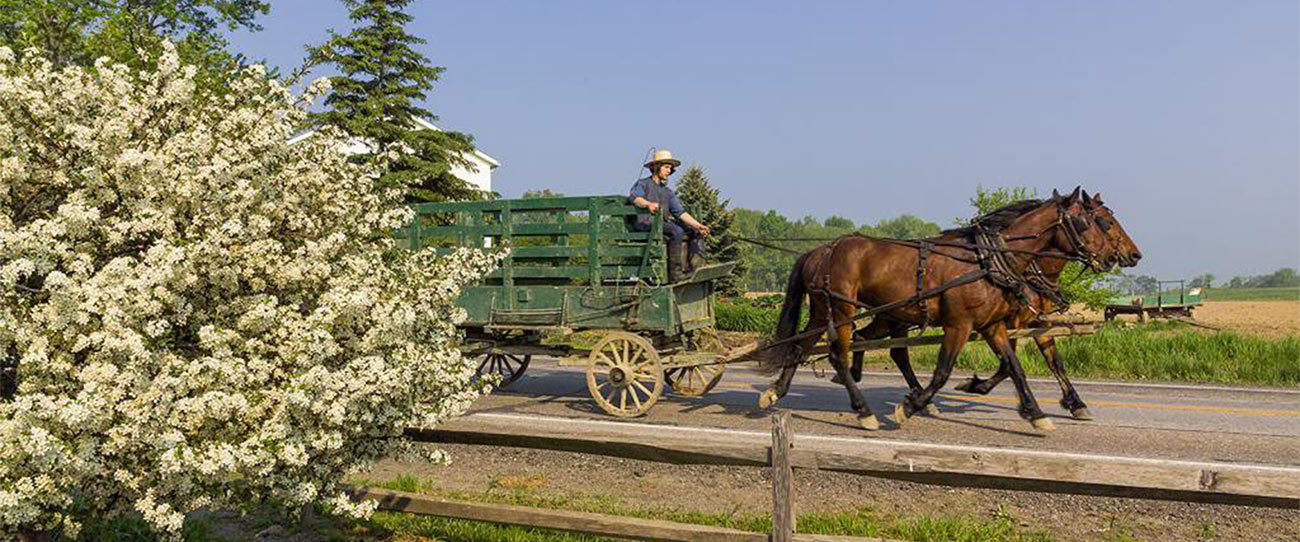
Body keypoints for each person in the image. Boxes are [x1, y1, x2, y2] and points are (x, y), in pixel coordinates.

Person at [628, 149, 710, 282]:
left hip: (660, 224)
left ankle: (694, 269)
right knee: (676, 230)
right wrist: (648, 204)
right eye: (666, 167)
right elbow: (634, 198)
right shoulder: (643, 184)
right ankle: (675, 274)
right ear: (655, 167)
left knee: (694, 231)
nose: (669, 171)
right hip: (644, 223)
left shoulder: (667, 191)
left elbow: (680, 212)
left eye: (670, 168)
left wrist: (698, 225)